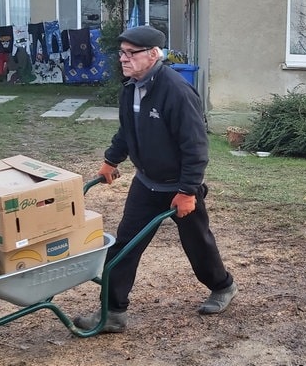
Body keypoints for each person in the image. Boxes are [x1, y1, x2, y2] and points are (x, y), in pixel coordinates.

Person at [74, 26, 237, 333]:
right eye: (121, 53)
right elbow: (127, 130)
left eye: (130, 53)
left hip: (179, 187)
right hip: (146, 183)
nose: (123, 59)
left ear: (153, 54)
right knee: (124, 245)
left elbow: (195, 146)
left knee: (197, 243)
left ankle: (223, 285)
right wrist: (111, 160)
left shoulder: (176, 91)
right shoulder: (131, 87)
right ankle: (113, 312)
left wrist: (188, 190)